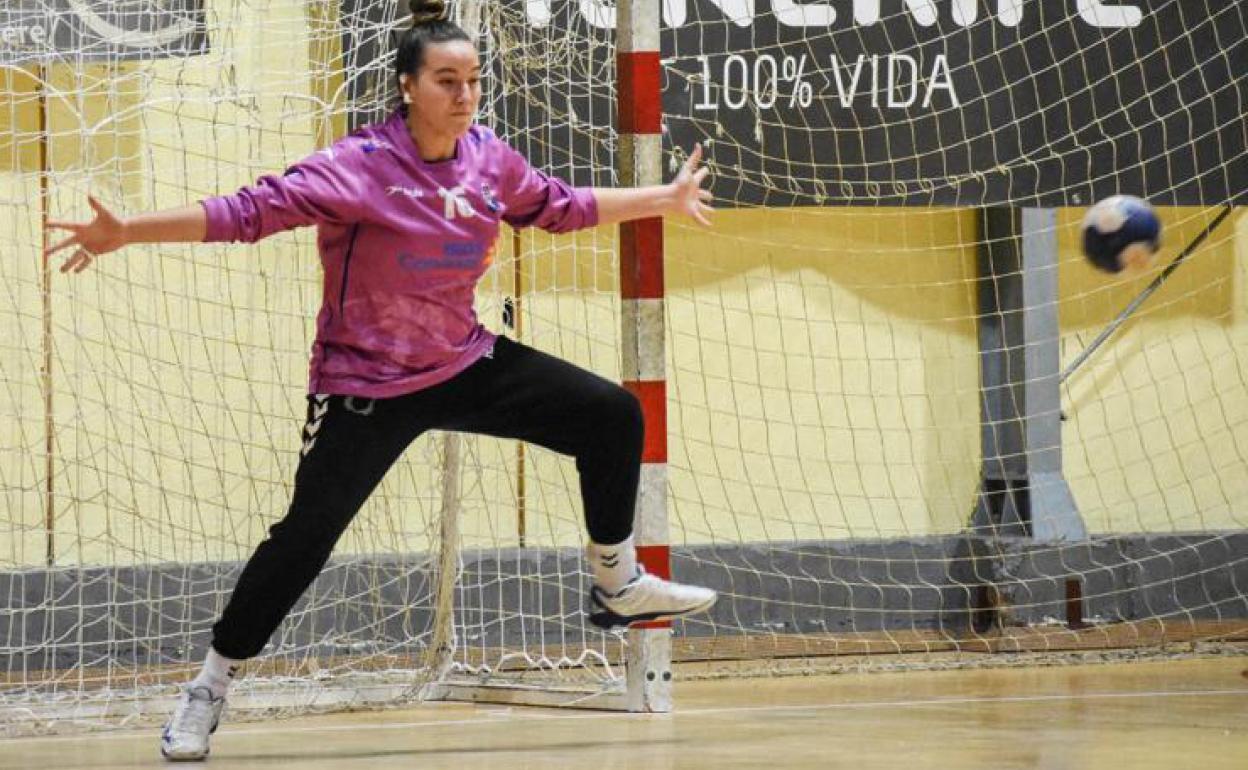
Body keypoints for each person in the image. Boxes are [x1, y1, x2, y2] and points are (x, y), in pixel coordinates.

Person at [45, 0, 717, 761]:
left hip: (460, 361)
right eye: (446, 81)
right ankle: (209, 687)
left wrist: (661, 198)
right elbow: (244, 213)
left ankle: (615, 582)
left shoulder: (489, 157)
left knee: (611, 415)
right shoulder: (357, 166)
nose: (464, 96)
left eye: (472, 81)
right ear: (408, 87)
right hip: (366, 386)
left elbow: (558, 207)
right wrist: (127, 230)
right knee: (303, 541)